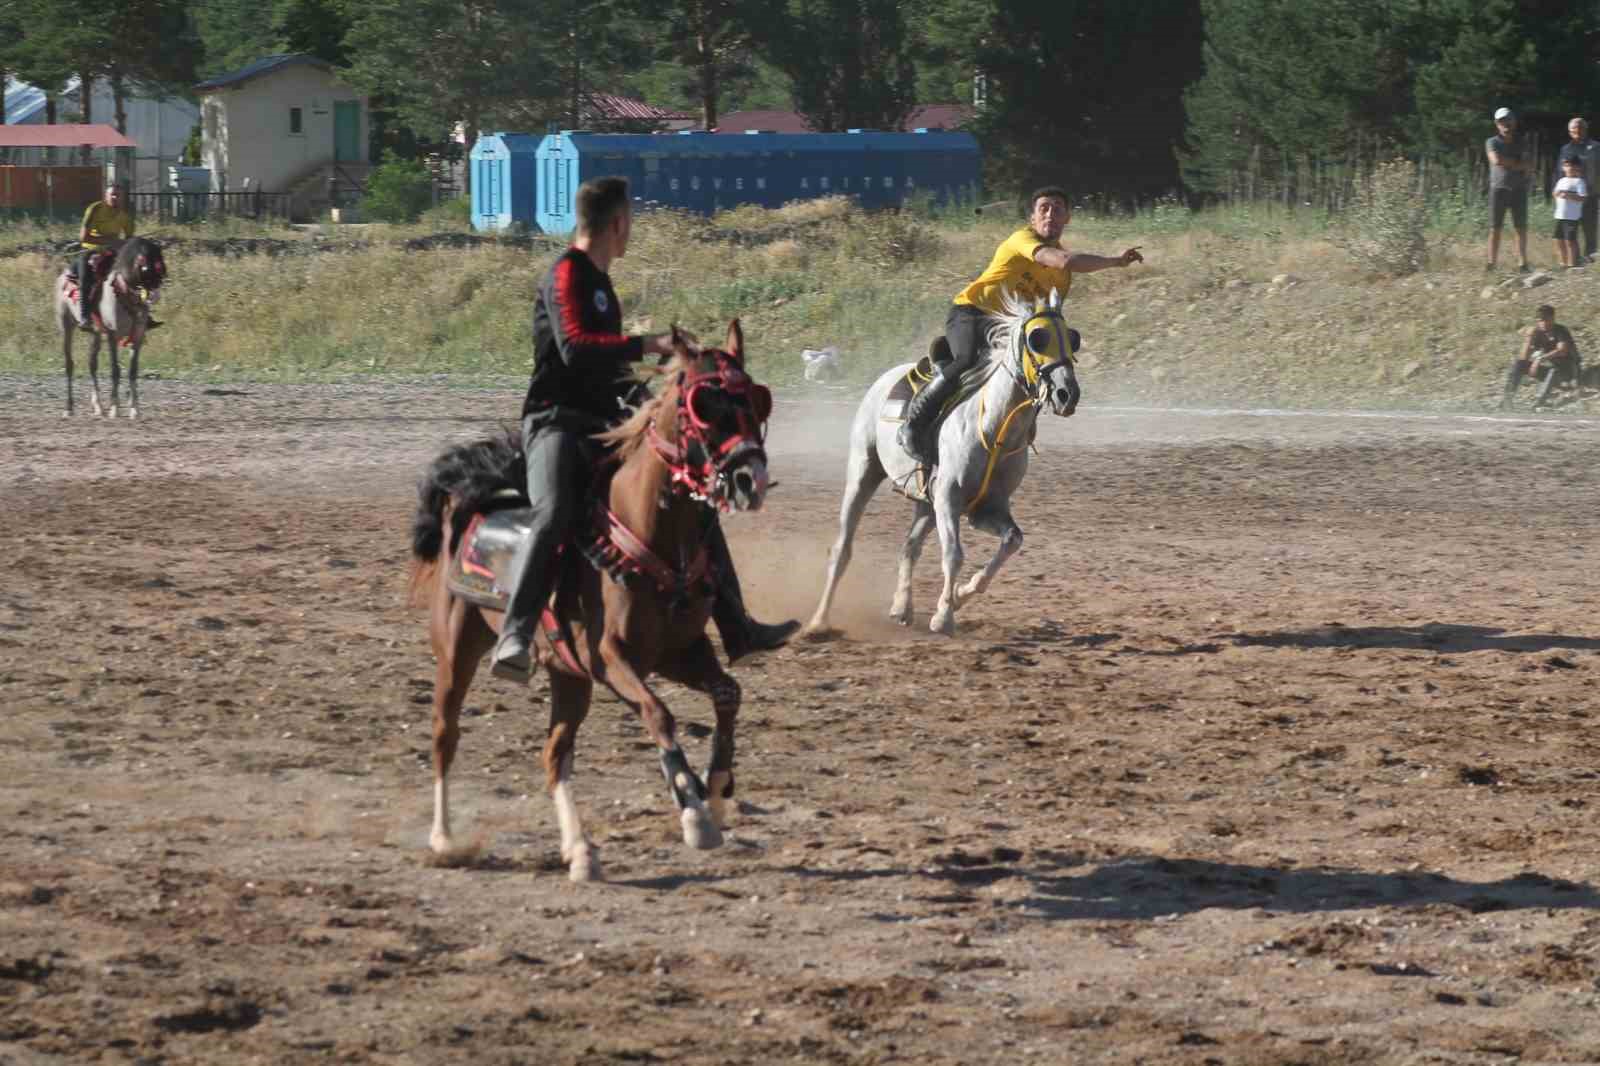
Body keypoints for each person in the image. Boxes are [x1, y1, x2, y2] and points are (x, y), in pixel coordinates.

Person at [490, 175, 799, 682]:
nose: (630, 230)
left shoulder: (602, 284)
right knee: (555, 512)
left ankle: (737, 627)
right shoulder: (566, 275)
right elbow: (575, 349)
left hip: (603, 421)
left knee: (694, 497)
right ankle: (516, 634)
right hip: (555, 424)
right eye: (630, 221)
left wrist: (653, 401)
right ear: (618, 223)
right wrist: (649, 344)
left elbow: (605, 370)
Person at [897, 186, 1142, 466]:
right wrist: (1116, 261)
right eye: (1044, 208)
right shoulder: (1022, 240)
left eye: (1057, 209)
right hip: (972, 313)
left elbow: (1044, 318)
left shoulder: (1061, 279)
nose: (1050, 214)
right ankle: (913, 426)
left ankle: (1016, 430)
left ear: (1067, 218)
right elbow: (1064, 260)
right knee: (966, 360)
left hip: (1009, 328)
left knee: (1032, 367)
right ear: (1033, 217)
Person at [1501, 304, 1580, 410]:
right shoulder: (1539, 333)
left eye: (1545, 319)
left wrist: (1540, 359)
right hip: (1553, 373)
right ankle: (1508, 397)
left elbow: (1562, 351)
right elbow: (1524, 358)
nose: (1542, 323)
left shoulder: (1561, 330)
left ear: (1552, 318)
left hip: (1569, 372)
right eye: (1539, 320)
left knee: (1554, 371)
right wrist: (1528, 338)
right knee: (1519, 364)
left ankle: (1540, 402)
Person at [1486, 107, 1532, 273]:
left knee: (1520, 228)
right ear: (1497, 124)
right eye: (1501, 121)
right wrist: (1517, 164)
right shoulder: (1491, 142)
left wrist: (1512, 163)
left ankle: (1523, 264)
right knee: (1495, 228)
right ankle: (1491, 264)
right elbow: (1496, 160)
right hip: (1498, 189)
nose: (1505, 124)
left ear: (1514, 121)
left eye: (1508, 120)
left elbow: (1527, 165)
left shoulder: (1522, 141)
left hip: (1518, 189)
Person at [1557, 116, 1600, 263]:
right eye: (1574, 129)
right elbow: (1560, 171)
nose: (1578, 132)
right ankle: (1574, 261)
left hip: (1590, 194)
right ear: (1570, 132)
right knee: (1570, 231)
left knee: (1590, 229)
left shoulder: (1596, 147)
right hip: (1570, 198)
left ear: (1586, 129)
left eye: (1581, 128)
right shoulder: (1566, 149)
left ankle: (1591, 260)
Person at [1551, 156, 1588, 269]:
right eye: (1566, 165)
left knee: (1570, 240)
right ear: (1563, 167)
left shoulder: (1579, 182)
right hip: (1560, 215)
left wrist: (1568, 195)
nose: (1569, 168)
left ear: (1578, 167)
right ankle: (1563, 262)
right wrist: (1557, 194)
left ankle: (1573, 263)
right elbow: (1555, 193)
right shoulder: (1561, 181)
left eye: (1572, 165)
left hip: (1572, 217)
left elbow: (1582, 198)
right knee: (1558, 239)